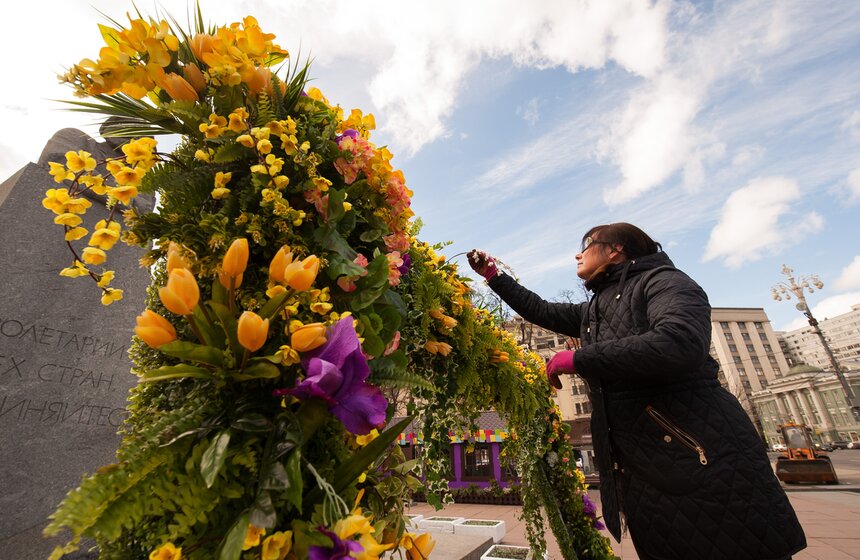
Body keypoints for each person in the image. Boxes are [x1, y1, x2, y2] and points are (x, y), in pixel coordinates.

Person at [468, 223, 805, 560]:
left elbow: (680, 342)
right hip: (649, 473)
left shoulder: (665, 281)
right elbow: (542, 310)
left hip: (704, 464)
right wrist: (493, 275)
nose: (577, 253)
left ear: (615, 250)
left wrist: (580, 359)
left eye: (586, 245)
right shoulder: (597, 308)